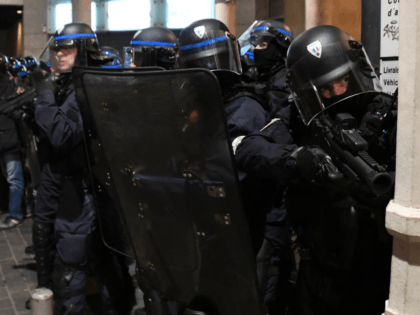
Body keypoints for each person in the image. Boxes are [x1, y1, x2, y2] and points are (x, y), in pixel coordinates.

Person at [284, 25, 395, 315]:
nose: (337, 92)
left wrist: (386, 189)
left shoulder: (390, 116)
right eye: (324, 88)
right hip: (319, 266)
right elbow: (250, 146)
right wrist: (301, 157)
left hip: (371, 269)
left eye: (344, 80)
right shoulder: (301, 118)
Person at [30, 22, 134, 315]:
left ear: (84, 51)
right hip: (88, 184)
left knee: (73, 265)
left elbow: (63, 134)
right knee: (105, 258)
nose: (60, 54)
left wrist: (45, 95)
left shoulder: (87, 86)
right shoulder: (82, 81)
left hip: (85, 188)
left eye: (68, 49)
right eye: (58, 49)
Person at [0, 52, 25, 230]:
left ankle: (16, 213)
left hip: (9, 140)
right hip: (7, 140)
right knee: (12, 178)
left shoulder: (8, 86)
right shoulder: (9, 84)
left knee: (14, 178)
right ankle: (19, 209)